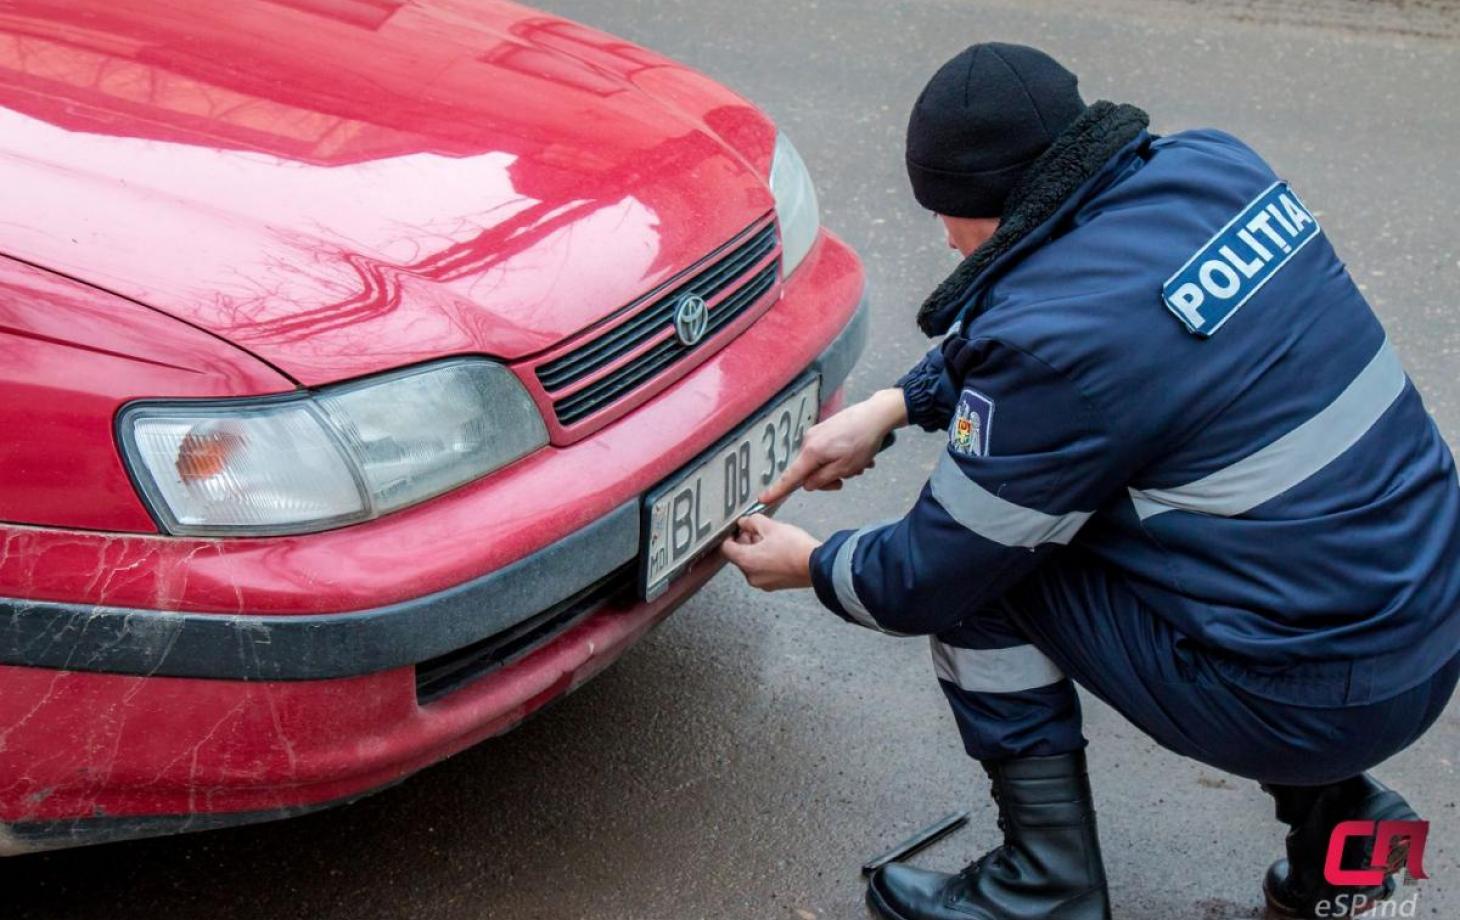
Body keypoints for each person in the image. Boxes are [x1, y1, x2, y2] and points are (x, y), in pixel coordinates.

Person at [720, 42, 1460, 920]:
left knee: (988, 564)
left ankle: (1044, 886)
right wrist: (896, 403)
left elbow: (924, 574)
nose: (946, 237)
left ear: (994, 203)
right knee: (1193, 508)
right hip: (1426, 622)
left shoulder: (1055, 344)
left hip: (1308, 699)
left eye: (949, 213)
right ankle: (1348, 825)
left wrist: (810, 564)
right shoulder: (1217, 171)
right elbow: (1110, 322)